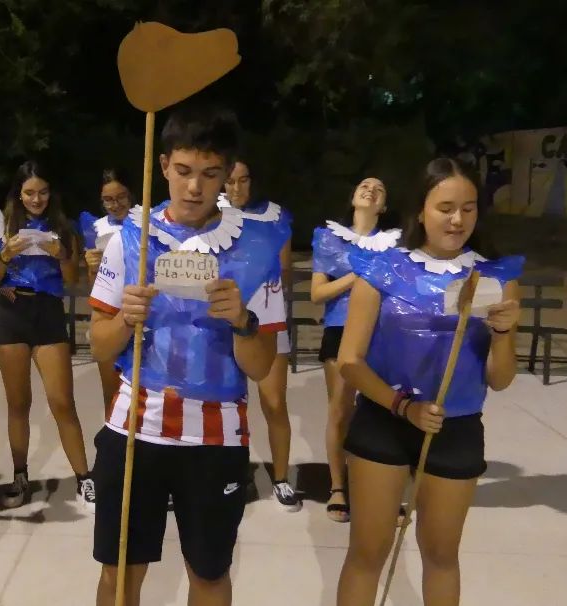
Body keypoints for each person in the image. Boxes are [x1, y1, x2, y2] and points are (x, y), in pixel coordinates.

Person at [90, 105, 286, 605]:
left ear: (228, 174)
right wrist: (125, 319)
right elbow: (98, 345)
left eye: (210, 173)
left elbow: (261, 366)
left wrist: (243, 321)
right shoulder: (130, 237)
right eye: (183, 171)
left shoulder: (255, 247)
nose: (194, 187)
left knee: (209, 574)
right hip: (135, 427)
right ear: (162, 166)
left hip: (215, 435)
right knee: (120, 572)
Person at [334, 158, 522, 606]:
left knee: (441, 555)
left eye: (468, 209)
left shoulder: (494, 277)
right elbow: (350, 361)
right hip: (384, 419)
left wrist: (502, 334)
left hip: (455, 428)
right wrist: (404, 407)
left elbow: (500, 379)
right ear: (420, 210)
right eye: (445, 208)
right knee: (368, 552)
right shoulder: (381, 270)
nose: (457, 220)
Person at [0, 160, 95, 511]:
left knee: (62, 401)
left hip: (47, 312)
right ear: (18, 193)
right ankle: (20, 476)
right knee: (18, 403)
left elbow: (72, 278)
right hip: (12, 311)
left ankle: (84, 478)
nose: (36, 199)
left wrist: (60, 253)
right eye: (29, 192)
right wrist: (5, 254)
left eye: (42, 192)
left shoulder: (63, 226)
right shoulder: (2, 224)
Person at [310, 177, 401, 522]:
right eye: (365, 185)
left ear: (384, 206)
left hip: (382, 330)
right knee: (341, 409)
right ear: (353, 198)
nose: (371, 189)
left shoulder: (394, 243)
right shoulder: (329, 238)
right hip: (340, 328)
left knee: (384, 408)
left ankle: (382, 488)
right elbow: (317, 294)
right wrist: (359, 275)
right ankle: (338, 486)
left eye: (380, 188)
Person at [220, 158, 300, 511]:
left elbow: (284, 271)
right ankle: (233, 474)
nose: (236, 188)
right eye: (229, 181)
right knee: (228, 403)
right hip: (224, 319)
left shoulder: (275, 216)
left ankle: (281, 478)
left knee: (274, 402)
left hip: (266, 317)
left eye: (243, 180)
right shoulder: (211, 213)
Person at [79, 168, 136, 414]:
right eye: (108, 200)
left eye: (121, 197)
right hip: (111, 316)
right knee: (112, 395)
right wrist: (92, 268)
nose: (115, 205)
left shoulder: (150, 222)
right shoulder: (96, 228)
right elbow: (95, 290)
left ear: (131, 194)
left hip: (144, 315)